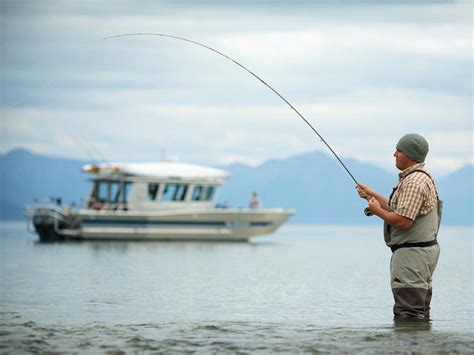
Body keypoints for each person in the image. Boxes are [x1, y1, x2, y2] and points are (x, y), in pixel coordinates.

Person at [356, 133, 442, 321]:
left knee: (408, 312)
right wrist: (372, 195)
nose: (394, 154)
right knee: (420, 310)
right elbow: (401, 209)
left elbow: (403, 221)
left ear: (410, 155)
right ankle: (420, 346)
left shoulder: (413, 182)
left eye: (399, 150)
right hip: (421, 252)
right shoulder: (419, 178)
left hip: (412, 255)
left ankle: (407, 348)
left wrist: (376, 210)